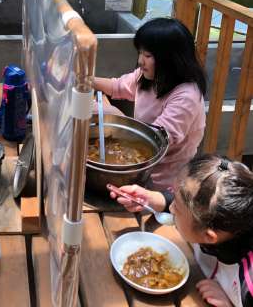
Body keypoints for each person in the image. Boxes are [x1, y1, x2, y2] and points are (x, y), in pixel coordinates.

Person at [108, 154, 253, 307]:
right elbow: (193, 206)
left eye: (176, 206)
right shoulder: (219, 221)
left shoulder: (248, 287)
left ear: (208, 236)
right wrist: (154, 199)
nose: (171, 209)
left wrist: (228, 304)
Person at [93, 17, 207, 189]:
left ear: (170, 59)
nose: (140, 61)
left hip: (163, 181)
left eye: (147, 55)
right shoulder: (149, 76)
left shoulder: (187, 96)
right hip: (139, 163)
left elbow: (157, 139)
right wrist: (85, 79)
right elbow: (117, 86)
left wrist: (114, 116)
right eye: (140, 53)